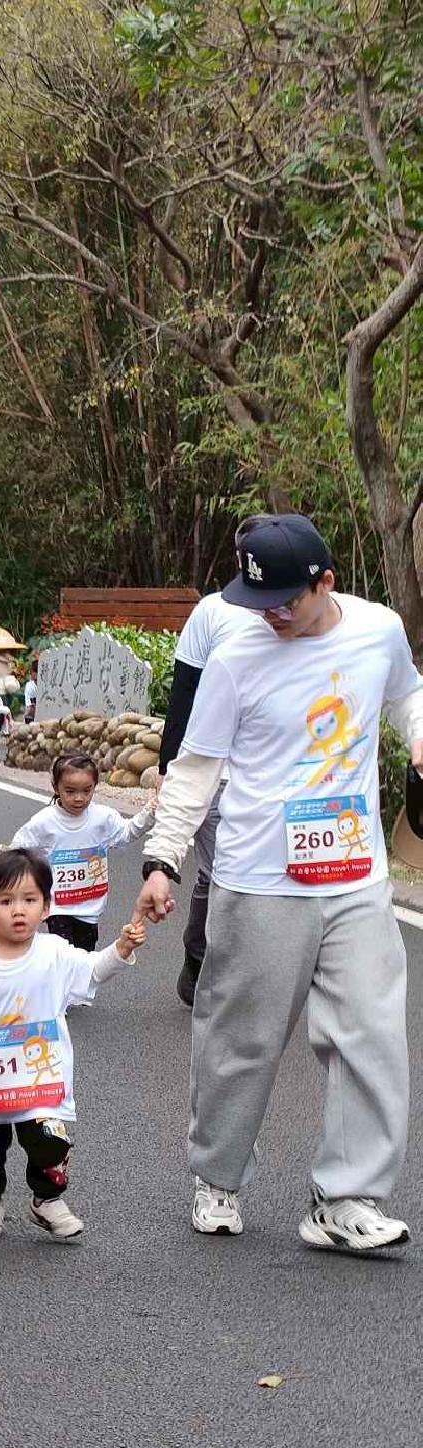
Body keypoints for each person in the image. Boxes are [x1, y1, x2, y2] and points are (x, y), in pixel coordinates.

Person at [137, 510, 423, 1254]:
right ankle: (219, 1175)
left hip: (356, 871)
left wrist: (420, 737)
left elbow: (407, 695)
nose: (269, 614)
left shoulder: (377, 630)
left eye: (285, 601)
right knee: (243, 1040)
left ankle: (346, 1196)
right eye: (256, 600)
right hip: (261, 875)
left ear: (325, 581)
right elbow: (195, 767)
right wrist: (163, 858)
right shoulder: (238, 653)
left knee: (372, 1032)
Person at [0, 848, 145, 1243]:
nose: (19, 911)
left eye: (30, 900)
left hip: (39, 1074)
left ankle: (47, 1199)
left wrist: (121, 950)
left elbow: (91, 971)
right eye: (5, 901)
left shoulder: (53, 952)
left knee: (51, 1137)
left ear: (46, 906)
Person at [160, 518, 270, 1005]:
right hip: (217, 770)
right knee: (222, 870)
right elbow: (183, 692)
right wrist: (169, 768)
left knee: (265, 871)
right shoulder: (213, 611)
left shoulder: (304, 611)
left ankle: (254, 969)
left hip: (272, 773)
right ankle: (200, 958)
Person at [14, 748, 155, 950]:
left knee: (82, 962)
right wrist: (3, 864)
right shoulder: (44, 822)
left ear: (95, 787)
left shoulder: (103, 818)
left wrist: (150, 812)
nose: (79, 798)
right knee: (63, 956)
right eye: (70, 791)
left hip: (90, 909)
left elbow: (126, 833)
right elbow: (19, 848)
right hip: (58, 908)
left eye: (86, 790)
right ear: (56, 787)